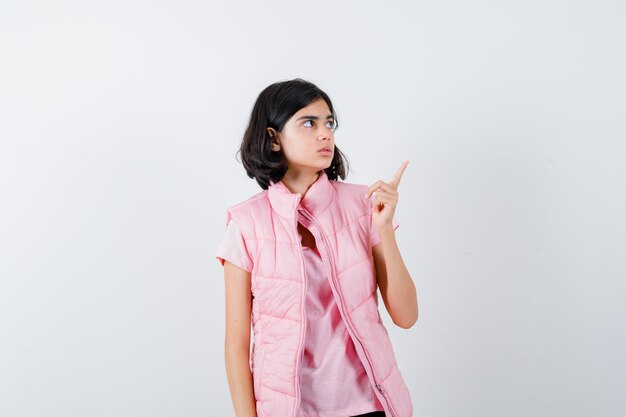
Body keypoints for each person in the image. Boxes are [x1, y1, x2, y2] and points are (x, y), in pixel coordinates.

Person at [215, 78, 418, 417]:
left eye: (329, 123)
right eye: (308, 123)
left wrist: (385, 230)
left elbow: (407, 316)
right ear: (273, 138)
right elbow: (236, 347)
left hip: (371, 406)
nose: (325, 133)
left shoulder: (363, 206)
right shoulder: (246, 223)